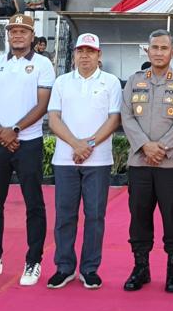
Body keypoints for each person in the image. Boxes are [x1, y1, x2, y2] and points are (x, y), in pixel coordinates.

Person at [0, 14, 55, 286]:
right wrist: (0, 131)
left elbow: (42, 104)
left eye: (24, 31)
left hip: (28, 141)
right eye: (13, 31)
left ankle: (33, 261)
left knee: (34, 203)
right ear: (8, 35)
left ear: (32, 36)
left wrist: (16, 129)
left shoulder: (43, 64)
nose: (18, 35)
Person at [121, 30, 173, 293]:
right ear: (148, 51)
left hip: (170, 164)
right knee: (139, 217)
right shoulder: (134, 80)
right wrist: (145, 146)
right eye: (155, 48)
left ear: (172, 52)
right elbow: (126, 116)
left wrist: (161, 149)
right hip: (140, 163)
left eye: (164, 48)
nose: (159, 52)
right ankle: (140, 268)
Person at [45, 34, 122, 289]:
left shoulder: (110, 82)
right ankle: (64, 266)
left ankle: (90, 268)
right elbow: (54, 119)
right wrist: (76, 144)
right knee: (65, 216)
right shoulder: (62, 82)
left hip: (97, 161)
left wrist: (87, 145)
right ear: (75, 54)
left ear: (99, 55)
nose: (85, 56)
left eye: (91, 51)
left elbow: (113, 119)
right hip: (65, 160)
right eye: (81, 51)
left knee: (95, 216)